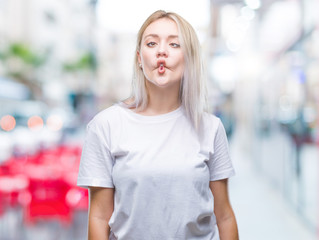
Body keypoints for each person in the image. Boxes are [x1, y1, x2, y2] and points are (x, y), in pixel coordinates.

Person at [77, 10, 239, 240]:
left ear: (190, 57)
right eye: (151, 43)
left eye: (174, 44)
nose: (161, 51)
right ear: (139, 59)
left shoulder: (211, 127)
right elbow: (99, 217)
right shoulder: (105, 125)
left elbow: (224, 216)